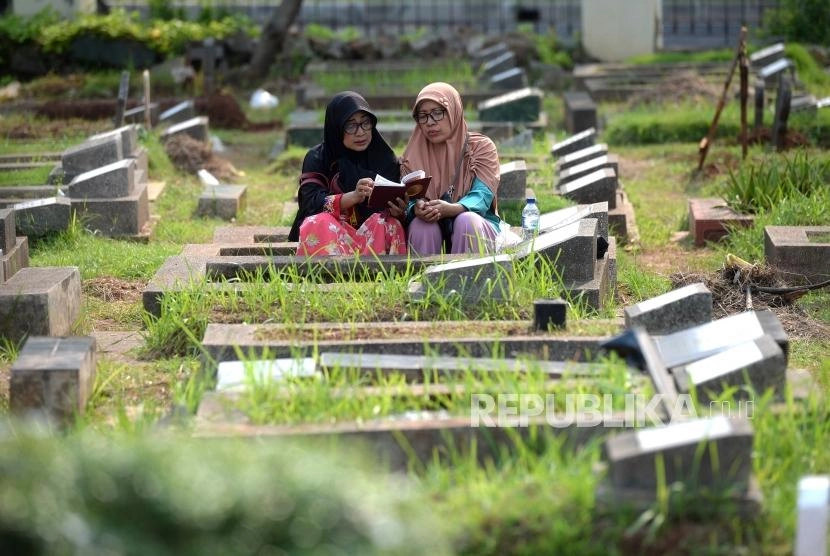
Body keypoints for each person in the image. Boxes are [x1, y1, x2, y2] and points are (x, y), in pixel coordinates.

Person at [289, 91, 407, 256]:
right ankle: (327, 273)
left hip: (374, 239)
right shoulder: (319, 157)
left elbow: (392, 209)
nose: (361, 132)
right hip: (332, 236)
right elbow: (309, 204)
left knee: (391, 224)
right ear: (336, 128)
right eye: (350, 125)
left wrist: (399, 211)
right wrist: (351, 197)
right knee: (318, 222)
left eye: (365, 123)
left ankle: (382, 274)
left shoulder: (385, 158)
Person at [400, 82, 501, 255]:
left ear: (454, 110)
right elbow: (409, 200)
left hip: (477, 224)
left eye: (437, 113)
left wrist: (454, 208)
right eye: (423, 116)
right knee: (421, 225)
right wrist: (416, 208)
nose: (430, 122)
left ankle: (471, 280)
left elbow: (483, 195)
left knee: (466, 221)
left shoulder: (481, 147)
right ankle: (422, 280)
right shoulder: (412, 155)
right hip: (432, 228)